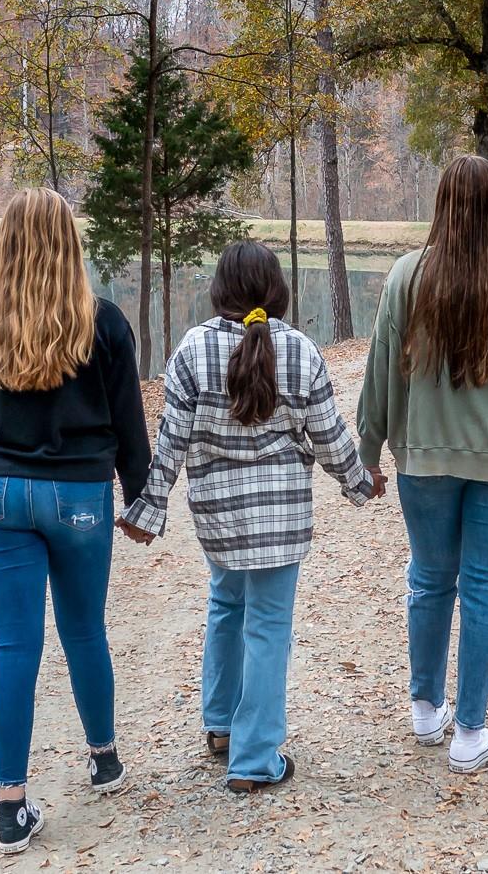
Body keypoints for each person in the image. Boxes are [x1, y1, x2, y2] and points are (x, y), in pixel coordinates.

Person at [116, 240, 378, 794]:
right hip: (280, 519)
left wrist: (148, 508)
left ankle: (220, 726)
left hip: (219, 517)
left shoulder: (190, 350)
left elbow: (171, 443)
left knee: (225, 604)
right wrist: (361, 481)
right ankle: (255, 757)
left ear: (220, 290)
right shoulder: (301, 351)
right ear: (275, 290)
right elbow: (329, 439)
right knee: (267, 626)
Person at [0, 188, 150, 856]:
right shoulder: (104, 322)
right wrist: (141, 499)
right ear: (71, 241)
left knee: (14, 645)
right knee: (85, 628)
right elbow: (129, 425)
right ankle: (104, 759)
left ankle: (10, 806)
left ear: (3, 241)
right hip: (79, 495)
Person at [355, 153, 488, 774]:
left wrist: (369, 452)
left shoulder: (407, 276)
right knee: (485, 585)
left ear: (441, 204)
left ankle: (426, 708)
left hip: (424, 459)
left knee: (430, 577)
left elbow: (380, 375)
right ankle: (470, 732)